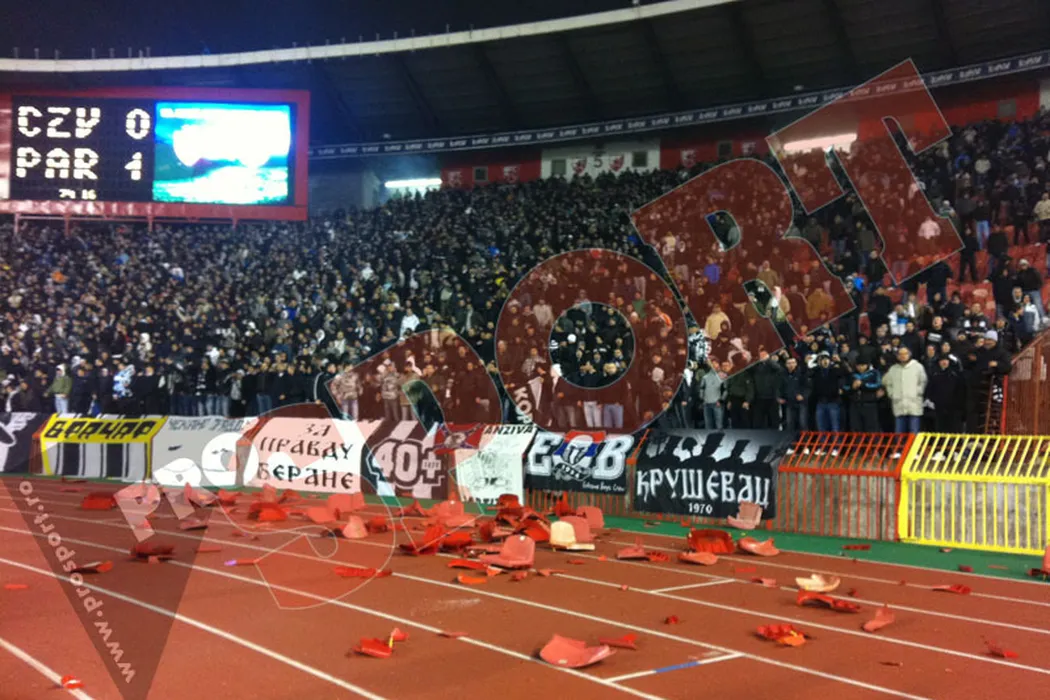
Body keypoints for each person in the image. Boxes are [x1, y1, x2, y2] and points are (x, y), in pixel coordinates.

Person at [882, 347, 927, 434]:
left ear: (909, 354)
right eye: (900, 354)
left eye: (905, 353)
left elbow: (923, 381)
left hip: (914, 404)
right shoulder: (893, 369)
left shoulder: (917, 367)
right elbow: (887, 383)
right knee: (899, 434)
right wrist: (892, 394)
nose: (903, 356)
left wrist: (918, 392)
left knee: (914, 433)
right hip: (899, 404)